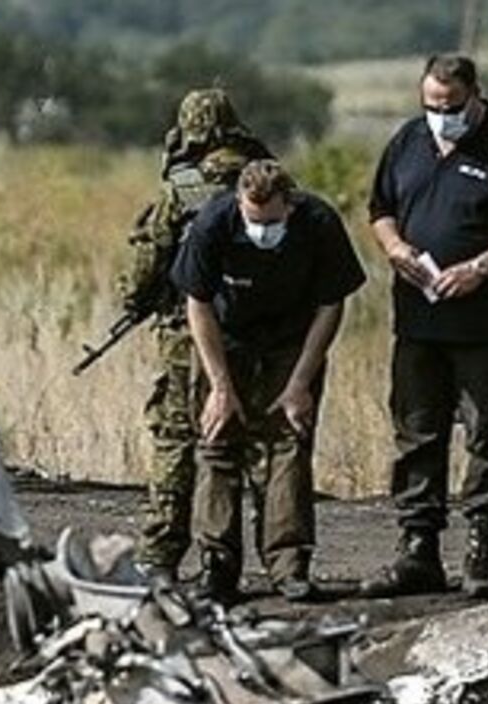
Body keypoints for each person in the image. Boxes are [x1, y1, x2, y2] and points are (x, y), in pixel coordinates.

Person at [361, 54, 488, 598]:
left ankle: (481, 551)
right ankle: (417, 549)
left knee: (485, 436)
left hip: (485, 325)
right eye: (431, 104)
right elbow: (380, 209)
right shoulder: (407, 141)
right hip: (418, 319)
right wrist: (395, 247)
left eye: (450, 106)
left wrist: (479, 268)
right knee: (416, 433)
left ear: (475, 95)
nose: (441, 116)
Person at [171, 160, 366, 604]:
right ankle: (217, 564)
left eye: (271, 221)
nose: (261, 230)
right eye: (252, 220)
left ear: (289, 205)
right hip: (227, 336)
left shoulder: (318, 223)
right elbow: (197, 304)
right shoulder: (214, 222)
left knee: (289, 441)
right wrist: (220, 387)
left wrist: (300, 382)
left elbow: (331, 306)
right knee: (217, 439)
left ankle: (288, 564)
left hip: (293, 338)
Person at [115, 89, 274, 578]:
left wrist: (134, 302)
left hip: (188, 334)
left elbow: (148, 266)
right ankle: (275, 559)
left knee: (177, 438)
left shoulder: (182, 188)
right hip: (260, 333)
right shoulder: (266, 179)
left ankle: (160, 555)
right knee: (258, 445)